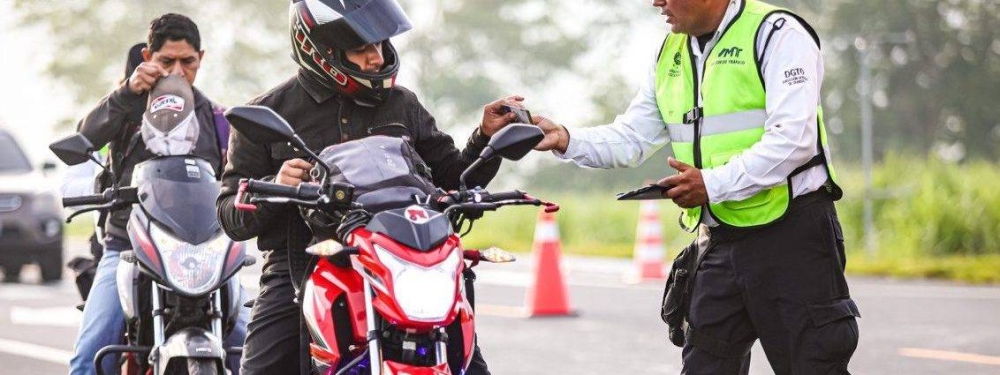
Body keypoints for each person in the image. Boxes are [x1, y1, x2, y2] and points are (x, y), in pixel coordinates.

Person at [532, 0, 860, 373]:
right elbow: (631, 137)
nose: (656, 2)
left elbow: (793, 141)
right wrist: (565, 139)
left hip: (792, 239)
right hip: (720, 241)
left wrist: (710, 184)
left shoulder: (778, 33)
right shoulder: (671, 50)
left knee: (813, 366)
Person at [215, 1, 522, 374]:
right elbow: (231, 215)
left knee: (468, 363)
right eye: (360, 48)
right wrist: (276, 185)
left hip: (400, 261)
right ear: (320, 50)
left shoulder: (402, 104)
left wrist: (485, 137)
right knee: (261, 368)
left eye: (378, 44)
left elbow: (454, 179)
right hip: (306, 264)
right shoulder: (269, 113)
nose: (375, 58)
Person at [70, 14, 248, 375]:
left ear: (202, 58)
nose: (179, 71)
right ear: (149, 56)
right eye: (167, 61)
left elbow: (238, 176)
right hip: (128, 248)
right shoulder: (126, 107)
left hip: (203, 250)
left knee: (247, 347)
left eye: (189, 61)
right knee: (91, 354)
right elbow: (86, 136)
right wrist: (125, 93)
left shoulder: (216, 118)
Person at [62, 42, 144, 303]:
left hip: (183, 243)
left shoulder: (197, 116)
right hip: (122, 239)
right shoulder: (108, 121)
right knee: (94, 341)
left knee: (240, 328)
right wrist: (107, 185)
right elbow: (69, 186)